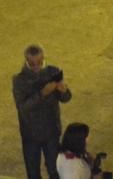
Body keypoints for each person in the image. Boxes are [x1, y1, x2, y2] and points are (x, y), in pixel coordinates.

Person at [14, 44, 72, 179]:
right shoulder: (19, 80)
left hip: (51, 131)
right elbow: (23, 107)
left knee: (55, 169)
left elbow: (66, 98)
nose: (36, 67)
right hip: (31, 134)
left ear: (43, 59)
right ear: (26, 61)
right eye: (32, 64)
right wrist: (43, 93)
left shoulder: (53, 72)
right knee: (33, 172)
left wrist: (64, 91)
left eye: (39, 63)